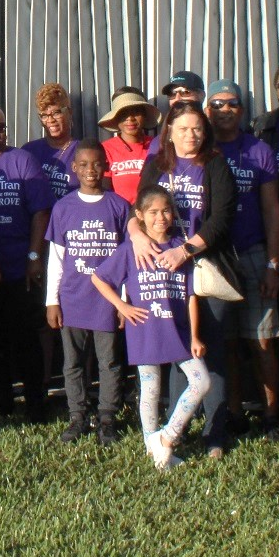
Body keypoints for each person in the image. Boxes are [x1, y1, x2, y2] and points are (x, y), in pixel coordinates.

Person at [142, 101, 241, 457]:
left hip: (203, 266)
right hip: (165, 270)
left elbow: (221, 219)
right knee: (175, 348)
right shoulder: (156, 165)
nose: (191, 135)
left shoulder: (215, 164)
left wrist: (185, 251)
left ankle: (215, 433)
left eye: (197, 128)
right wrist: (137, 237)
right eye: (183, 128)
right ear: (169, 131)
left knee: (209, 349)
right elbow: (139, 207)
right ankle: (176, 427)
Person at [91, 185, 208, 470]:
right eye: (153, 212)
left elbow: (191, 295)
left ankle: (166, 437)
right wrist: (122, 306)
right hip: (144, 328)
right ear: (140, 215)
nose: (161, 217)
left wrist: (195, 335)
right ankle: (152, 452)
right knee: (150, 388)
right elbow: (99, 278)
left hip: (178, 330)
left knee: (202, 381)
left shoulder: (180, 249)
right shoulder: (130, 250)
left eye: (166, 211)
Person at [208, 80, 279, 438]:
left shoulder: (258, 150)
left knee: (262, 340)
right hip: (216, 257)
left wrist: (273, 264)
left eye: (232, 104)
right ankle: (235, 413)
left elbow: (272, 210)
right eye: (217, 104)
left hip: (254, 253)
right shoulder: (202, 149)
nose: (225, 110)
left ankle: (271, 416)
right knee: (226, 342)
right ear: (207, 110)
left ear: (242, 110)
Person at [0, 105, 53, 421]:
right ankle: (2, 402)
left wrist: (34, 256)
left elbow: (41, 212)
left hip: (21, 267)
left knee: (26, 338)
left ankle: (35, 404)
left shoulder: (23, 160)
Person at [46, 139, 130, 446]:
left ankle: (107, 417)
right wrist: (52, 301)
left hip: (107, 300)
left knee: (109, 361)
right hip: (72, 298)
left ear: (106, 166)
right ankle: (77, 415)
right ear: (74, 168)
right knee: (73, 362)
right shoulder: (63, 207)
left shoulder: (119, 206)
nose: (90, 170)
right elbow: (56, 258)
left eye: (96, 164)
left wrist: (123, 301)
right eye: (83, 164)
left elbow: (127, 258)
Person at [22, 81, 79, 201]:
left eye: (56, 113)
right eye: (44, 115)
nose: (50, 120)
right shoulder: (29, 151)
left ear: (69, 112)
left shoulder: (82, 151)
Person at [99, 88, 154, 204]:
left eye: (136, 111)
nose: (130, 118)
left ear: (144, 115)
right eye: (123, 113)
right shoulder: (105, 149)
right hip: (119, 213)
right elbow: (105, 193)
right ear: (115, 117)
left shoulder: (157, 146)